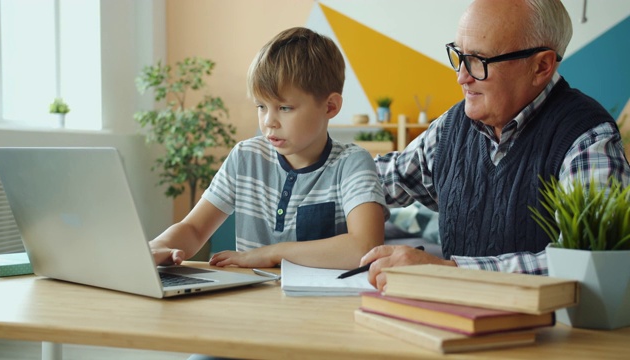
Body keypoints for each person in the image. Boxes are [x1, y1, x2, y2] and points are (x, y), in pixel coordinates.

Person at [362, 0, 630, 290]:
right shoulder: (452, 127)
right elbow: (377, 182)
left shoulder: (588, 139)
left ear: (541, 66)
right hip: (454, 324)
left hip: (549, 334)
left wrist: (449, 272)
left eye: (479, 61)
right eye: (459, 55)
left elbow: (593, 263)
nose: (461, 76)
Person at [150, 27, 388, 270]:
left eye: (284, 108)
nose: (268, 121)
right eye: (261, 106)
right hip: (250, 301)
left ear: (330, 106)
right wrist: (157, 246)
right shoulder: (245, 157)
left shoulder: (352, 163)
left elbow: (365, 247)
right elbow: (194, 229)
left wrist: (272, 254)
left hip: (321, 305)